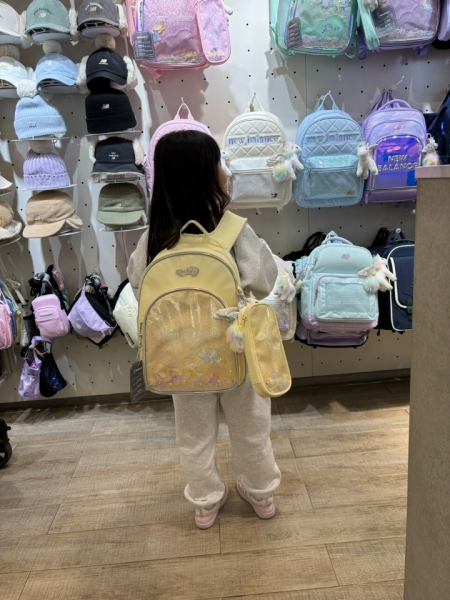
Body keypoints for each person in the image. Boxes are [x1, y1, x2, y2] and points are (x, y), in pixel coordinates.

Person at [127, 130, 281, 529]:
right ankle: (261, 493)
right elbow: (265, 280)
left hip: (181, 357)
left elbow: (139, 286)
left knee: (194, 435)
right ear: (208, 173)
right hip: (236, 350)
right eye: (218, 163)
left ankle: (205, 502)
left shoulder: (154, 237)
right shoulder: (232, 230)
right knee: (251, 428)